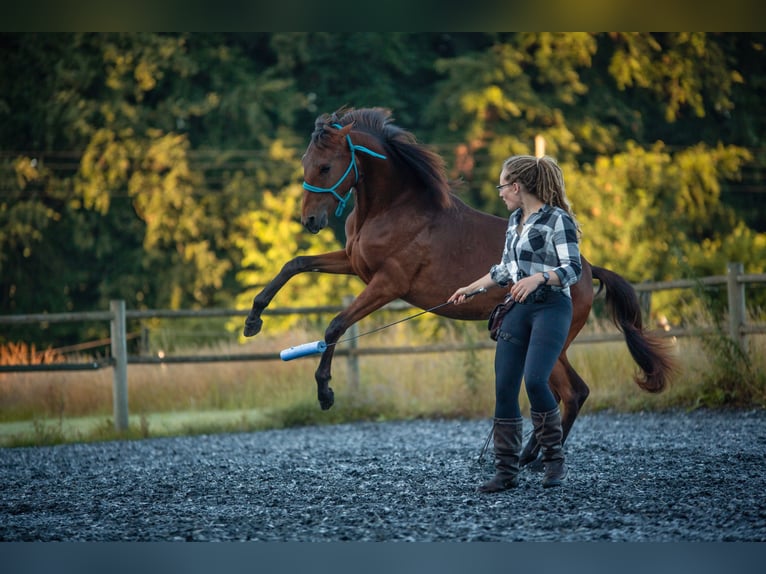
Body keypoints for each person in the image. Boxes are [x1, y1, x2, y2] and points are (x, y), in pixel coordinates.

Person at [449, 155, 582, 490]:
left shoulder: (558, 220)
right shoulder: (514, 221)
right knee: (504, 386)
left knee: (536, 380)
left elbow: (573, 268)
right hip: (518, 308)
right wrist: (470, 288)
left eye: (502, 186)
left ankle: (553, 463)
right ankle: (506, 472)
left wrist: (539, 278)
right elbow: (505, 270)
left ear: (517, 186)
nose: (500, 193)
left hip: (552, 308)